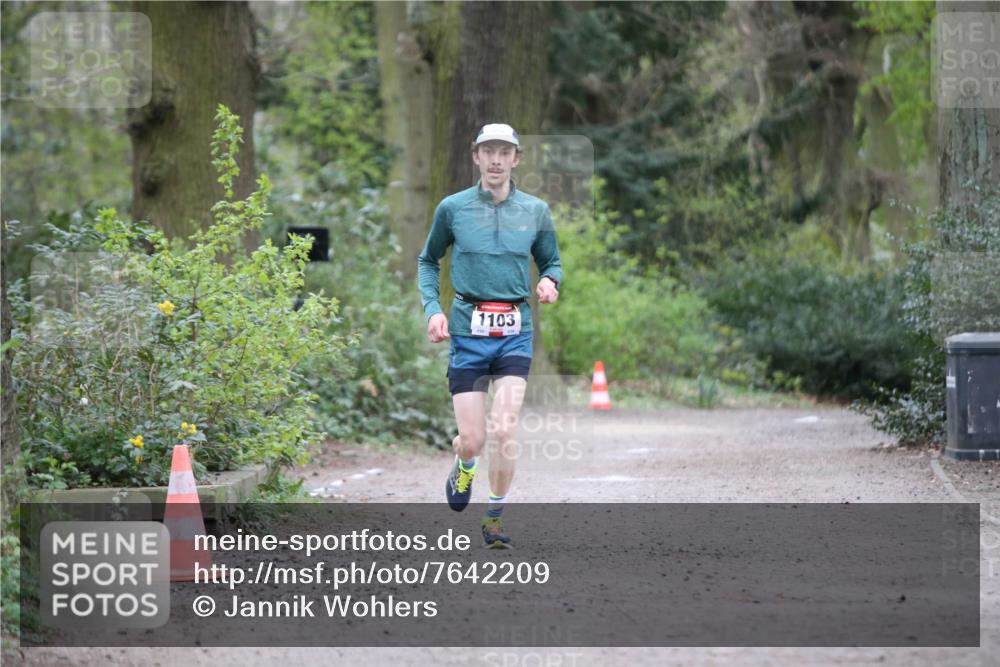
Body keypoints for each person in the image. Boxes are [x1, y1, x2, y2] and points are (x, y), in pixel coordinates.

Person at [417, 123, 562, 548]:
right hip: (467, 330)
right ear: (476, 157)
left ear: (516, 159)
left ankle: (494, 518)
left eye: (504, 152)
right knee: (475, 440)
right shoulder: (453, 208)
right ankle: (463, 464)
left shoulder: (535, 211)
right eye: (488, 151)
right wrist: (432, 311)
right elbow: (428, 261)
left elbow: (552, 261)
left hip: (515, 331)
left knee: (504, 429)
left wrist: (550, 282)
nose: (496, 159)